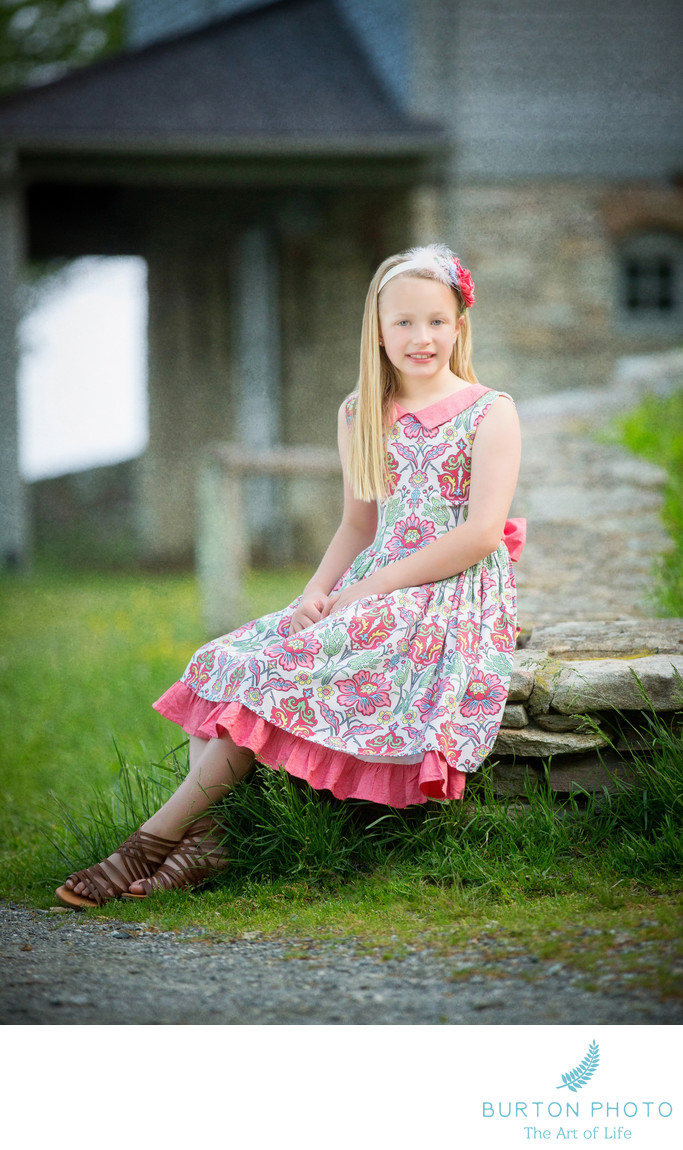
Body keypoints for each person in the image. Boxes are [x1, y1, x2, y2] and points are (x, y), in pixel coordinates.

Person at [56, 242, 524, 909]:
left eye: (436, 321)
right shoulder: (358, 411)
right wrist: (315, 592)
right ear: (378, 329)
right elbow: (358, 527)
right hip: (372, 578)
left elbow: (478, 534)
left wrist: (364, 592)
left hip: (447, 594)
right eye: (403, 322)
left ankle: (149, 841)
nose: (421, 338)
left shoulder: (488, 411)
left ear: (458, 325)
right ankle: (211, 838)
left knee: (276, 671)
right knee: (226, 659)